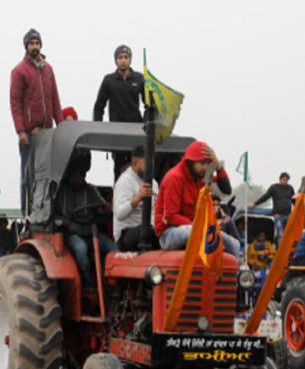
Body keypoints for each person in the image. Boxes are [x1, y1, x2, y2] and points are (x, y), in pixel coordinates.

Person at [155, 141, 240, 258]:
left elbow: (225, 191)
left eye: (207, 164)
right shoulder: (174, 177)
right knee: (192, 232)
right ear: (190, 161)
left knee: (233, 244)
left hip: (195, 228)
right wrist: (198, 227)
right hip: (169, 233)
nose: (205, 168)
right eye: (202, 163)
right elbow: (170, 217)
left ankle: (230, 276)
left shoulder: (201, 178)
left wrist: (217, 164)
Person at [10, 28, 64, 213]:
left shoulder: (48, 70)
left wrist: (62, 127)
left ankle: (43, 212)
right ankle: (26, 215)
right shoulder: (19, 71)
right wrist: (20, 131)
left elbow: (55, 99)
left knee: (46, 175)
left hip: (47, 133)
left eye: (37, 43)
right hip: (29, 134)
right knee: (28, 177)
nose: (35, 46)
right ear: (26, 46)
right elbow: (15, 102)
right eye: (31, 43)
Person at [55, 166, 117, 288]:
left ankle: (116, 287)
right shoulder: (59, 192)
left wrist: (113, 208)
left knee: (114, 249)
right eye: (76, 176)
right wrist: (68, 223)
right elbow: (52, 216)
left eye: (82, 176)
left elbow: (102, 206)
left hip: (90, 232)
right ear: (69, 175)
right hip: (71, 234)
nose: (80, 180)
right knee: (81, 249)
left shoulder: (90, 190)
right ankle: (88, 287)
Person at [92, 44, 145, 181]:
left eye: (126, 57)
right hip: (117, 134)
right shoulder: (109, 80)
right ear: (115, 60)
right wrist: (99, 130)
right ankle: (119, 200)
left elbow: (149, 105)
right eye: (120, 57)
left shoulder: (139, 79)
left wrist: (147, 127)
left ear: (130, 59)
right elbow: (99, 106)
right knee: (120, 173)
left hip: (136, 133)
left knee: (140, 171)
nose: (123, 60)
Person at [113, 145, 159, 251]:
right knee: (148, 232)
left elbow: (156, 210)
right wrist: (137, 198)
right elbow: (119, 214)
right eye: (145, 162)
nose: (150, 167)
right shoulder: (124, 182)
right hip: (126, 234)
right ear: (134, 163)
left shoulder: (154, 184)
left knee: (165, 233)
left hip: (149, 229)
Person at [249, 172, 295, 247]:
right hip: (278, 215)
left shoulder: (290, 188)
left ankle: (288, 249)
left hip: (288, 215)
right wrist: (255, 204)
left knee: (288, 234)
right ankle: (280, 250)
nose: (285, 182)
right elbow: (265, 197)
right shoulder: (274, 188)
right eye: (283, 180)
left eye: (286, 180)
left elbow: (293, 200)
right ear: (280, 180)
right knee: (280, 234)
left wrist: (297, 209)